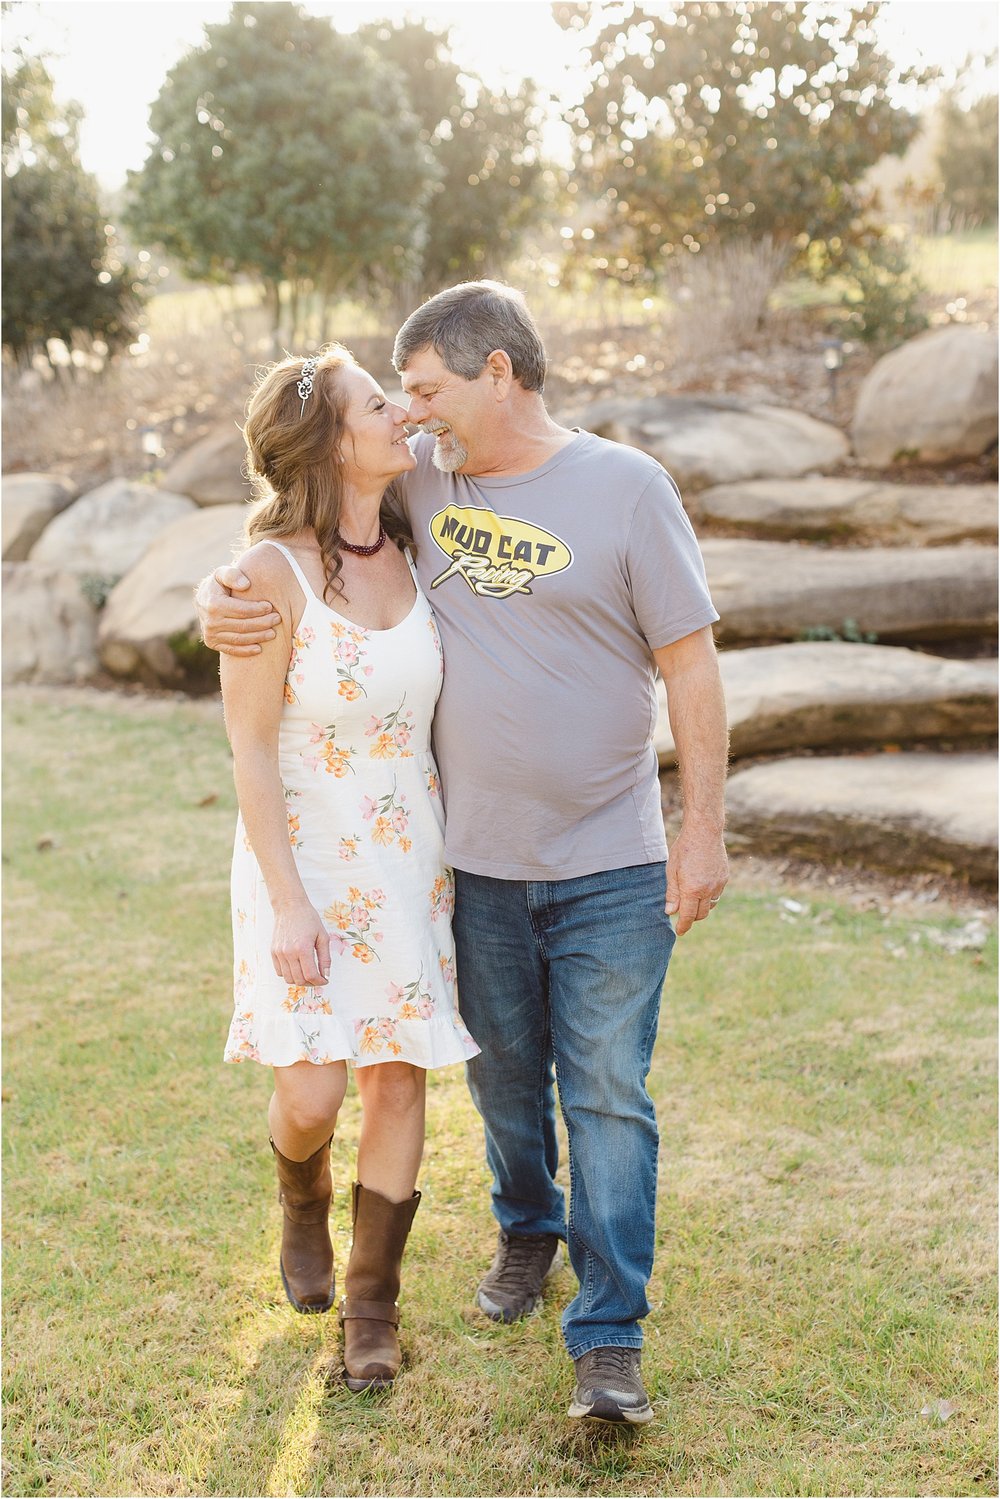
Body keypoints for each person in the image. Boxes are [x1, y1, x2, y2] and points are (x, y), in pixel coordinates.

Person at [200, 282, 728, 1426]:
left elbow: (690, 664)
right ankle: (488, 1224)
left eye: (427, 389)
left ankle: (581, 1335)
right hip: (439, 861)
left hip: (556, 857)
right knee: (459, 1086)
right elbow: (284, 554)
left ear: (498, 373)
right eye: (394, 398)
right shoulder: (415, 490)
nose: (411, 410)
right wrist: (217, 593)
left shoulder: (607, 489)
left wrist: (702, 829)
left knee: (595, 1093)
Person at [219, 343, 478, 1394]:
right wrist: (286, 899)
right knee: (314, 1087)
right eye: (379, 403)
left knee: (396, 1074)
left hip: (410, 855)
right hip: (306, 860)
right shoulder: (262, 577)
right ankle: (298, 1195)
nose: (402, 414)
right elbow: (246, 744)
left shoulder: (422, 543)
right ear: (333, 440)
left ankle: (372, 1303)